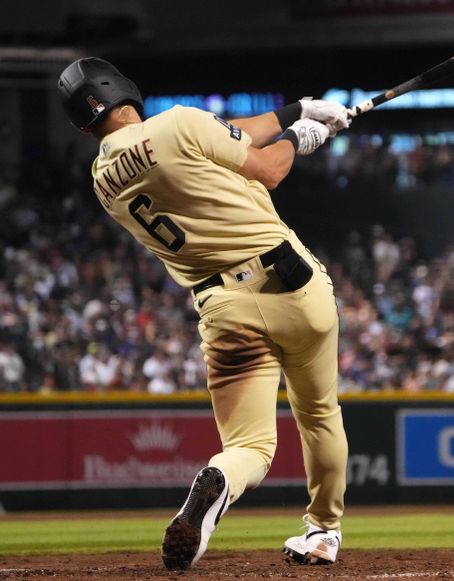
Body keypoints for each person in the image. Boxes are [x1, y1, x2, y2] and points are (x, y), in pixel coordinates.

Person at [58, 58, 350, 570]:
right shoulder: (177, 122)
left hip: (223, 309)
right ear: (123, 87)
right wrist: (300, 138)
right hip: (292, 287)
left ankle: (220, 480)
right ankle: (323, 531)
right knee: (319, 413)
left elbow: (227, 136)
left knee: (250, 447)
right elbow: (269, 168)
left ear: (83, 121)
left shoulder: (104, 181)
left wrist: (297, 110)